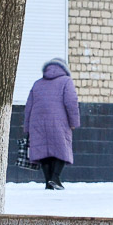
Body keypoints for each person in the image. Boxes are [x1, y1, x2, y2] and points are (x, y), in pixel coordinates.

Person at [23, 57, 80, 190]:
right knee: (61, 149)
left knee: (44, 151)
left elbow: (28, 106)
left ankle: (48, 182)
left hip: (37, 122)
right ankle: (55, 178)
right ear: (64, 69)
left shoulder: (37, 83)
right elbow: (71, 102)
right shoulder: (66, 81)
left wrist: (27, 127)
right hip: (59, 122)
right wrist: (74, 122)